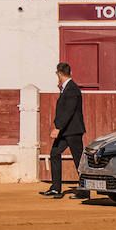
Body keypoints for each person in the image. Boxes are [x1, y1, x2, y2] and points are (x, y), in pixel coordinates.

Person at [39, 61, 86, 199]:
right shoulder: (68, 87)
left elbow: (69, 111)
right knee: (54, 153)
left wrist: (58, 128)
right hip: (66, 131)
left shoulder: (71, 89)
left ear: (59, 74)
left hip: (72, 131)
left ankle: (84, 190)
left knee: (78, 160)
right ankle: (55, 188)